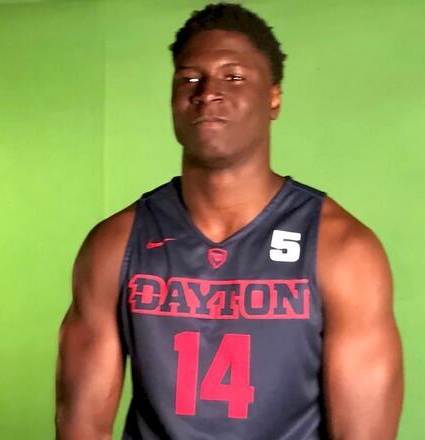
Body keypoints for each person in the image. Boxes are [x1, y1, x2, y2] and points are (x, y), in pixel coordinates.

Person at [56, 3, 403, 439]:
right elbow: (81, 426)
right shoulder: (116, 244)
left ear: (273, 97)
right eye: (190, 78)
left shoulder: (343, 249)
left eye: (233, 77)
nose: (207, 92)